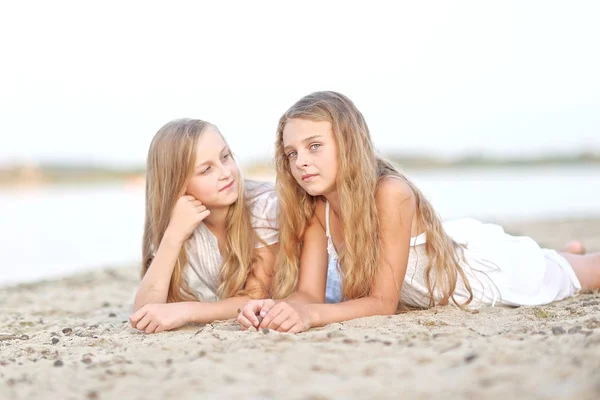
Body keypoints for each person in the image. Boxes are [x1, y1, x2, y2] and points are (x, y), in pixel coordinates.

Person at [237, 91, 600, 334]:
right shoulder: (319, 209)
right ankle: (565, 253)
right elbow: (309, 295)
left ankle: (566, 258)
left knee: (585, 274)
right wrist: (273, 308)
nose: (301, 162)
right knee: (558, 259)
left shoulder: (391, 193)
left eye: (314, 146)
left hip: (485, 278)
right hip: (453, 249)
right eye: (291, 153)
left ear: (349, 143)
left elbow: (383, 303)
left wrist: (309, 315)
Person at [130, 118, 278, 333]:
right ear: (178, 184)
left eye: (225, 157)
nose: (225, 172)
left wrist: (187, 311)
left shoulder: (263, 205)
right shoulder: (181, 221)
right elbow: (144, 313)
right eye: (206, 169)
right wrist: (173, 236)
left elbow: (259, 295)